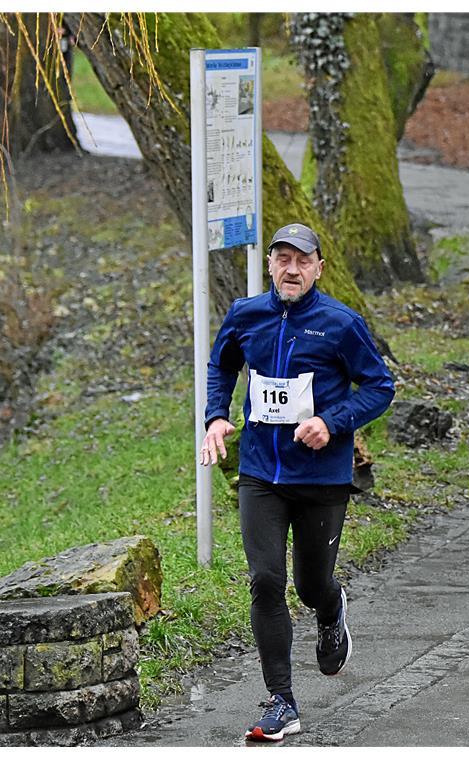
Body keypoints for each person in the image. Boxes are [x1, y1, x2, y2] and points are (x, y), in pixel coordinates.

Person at [200, 223, 395, 742]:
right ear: (269, 264)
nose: (291, 269)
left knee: (310, 586)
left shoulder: (341, 323)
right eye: (282, 258)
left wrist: (332, 422)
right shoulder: (246, 315)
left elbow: (380, 386)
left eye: (302, 261)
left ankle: (331, 608)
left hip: (321, 476)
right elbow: (221, 367)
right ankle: (281, 700)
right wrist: (216, 416)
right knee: (265, 581)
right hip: (261, 472)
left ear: (318, 268)